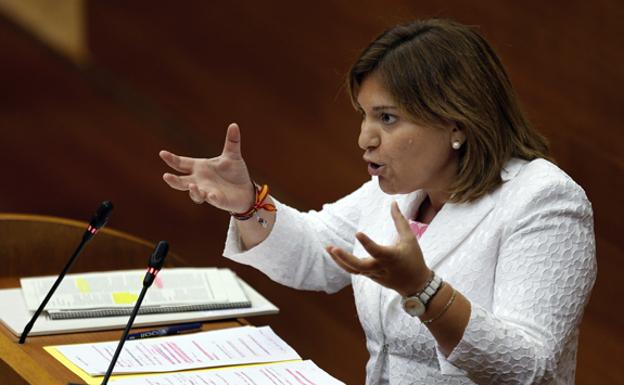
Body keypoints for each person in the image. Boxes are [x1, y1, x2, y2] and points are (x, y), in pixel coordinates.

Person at [159, 18, 596, 385]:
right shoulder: (404, 186)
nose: (364, 139)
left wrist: (424, 290)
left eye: (387, 118)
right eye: (364, 115)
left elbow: (530, 367)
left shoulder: (544, 201)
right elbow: (317, 252)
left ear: (456, 122)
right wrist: (248, 204)